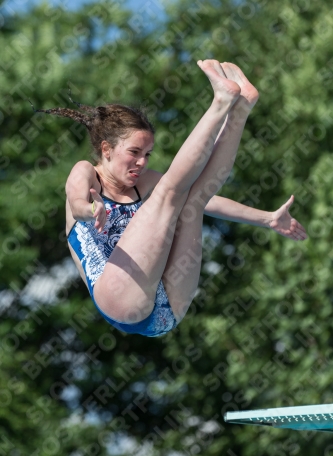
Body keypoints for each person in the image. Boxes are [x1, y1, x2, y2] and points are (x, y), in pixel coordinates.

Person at [35, 60, 307, 337]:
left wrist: (268, 218)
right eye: (134, 152)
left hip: (166, 314)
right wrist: (91, 208)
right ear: (106, 149)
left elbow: (211, 199)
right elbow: (77, 201)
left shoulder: (145, 183)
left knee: (194, 200)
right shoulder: (86, 172)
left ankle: (241, 107)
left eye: (147, 154)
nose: (142, 162)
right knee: (169, 192)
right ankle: (221, 102)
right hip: (121, 299)